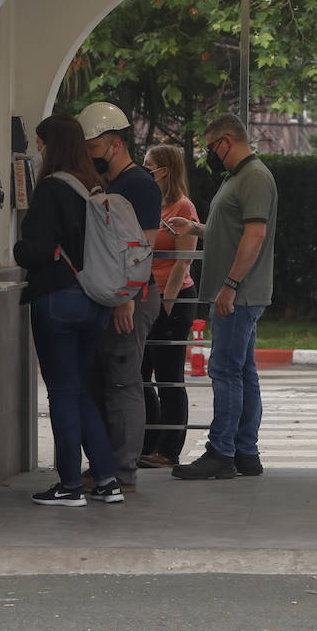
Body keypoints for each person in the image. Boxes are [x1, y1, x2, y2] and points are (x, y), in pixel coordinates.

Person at [13, 114, 124, 507]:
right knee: (78, 390)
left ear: (52, 145)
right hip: (94, 300)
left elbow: (37, 249)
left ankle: (70, 485)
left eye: (40, 143)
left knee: (61, 393)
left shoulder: (51, 188)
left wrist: (18, 250)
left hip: (58, 301)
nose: (38, 150)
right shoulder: (94, 186)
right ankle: (108, 478)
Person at [165, 114, 278, 480]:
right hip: (236, 293)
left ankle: (221, 452)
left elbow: (254, 236)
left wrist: (230, 285)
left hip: (238, 295)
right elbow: (232, 230)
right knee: (242, 371)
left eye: (212, 148)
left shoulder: (254, 178)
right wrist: (196, 227)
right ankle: (245, 452)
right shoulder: (239, 178)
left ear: (227, 141)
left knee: (226, 371)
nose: (211, 155)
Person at [75, 102, 164, 492]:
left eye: (93, 147)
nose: (89, 155)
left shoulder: (139, 186)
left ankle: (122, 471)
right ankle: (107, 466)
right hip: (116, 296)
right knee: (106, 382)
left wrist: (125, 299)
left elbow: (143, 248)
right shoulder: (113, 185)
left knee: (123, 385)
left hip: (130, 298)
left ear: (113, 143)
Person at [138, 143, 200, 469]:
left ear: (165, 170)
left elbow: (182, 263)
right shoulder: (152, 204)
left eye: (149, 165)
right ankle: (149, 441)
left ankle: (169, 449)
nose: (144, 169)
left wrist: (165, 305)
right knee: (140, 375)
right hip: (147, 298)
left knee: (169, 377)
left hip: (172, 301)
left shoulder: (183, 206)